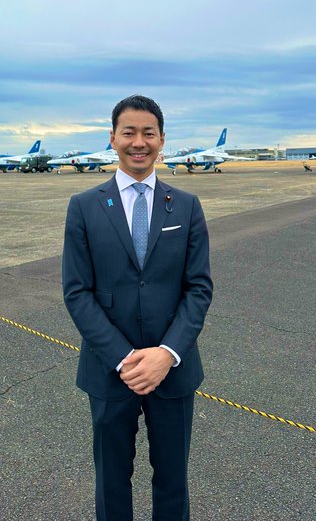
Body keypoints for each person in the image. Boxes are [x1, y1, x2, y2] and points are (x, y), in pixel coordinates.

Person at [62, 95, 213, 521]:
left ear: (162, 139)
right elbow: (77, 291)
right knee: (111, 482)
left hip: (173, 370)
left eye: (149, 133)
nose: (139, 142)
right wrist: (124, 358)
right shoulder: (84, 206)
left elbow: (199, 288)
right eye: (129, 132)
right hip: (110, 371)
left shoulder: (186, 206)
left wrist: (167, 354)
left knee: (172, 480)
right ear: (112, 138)